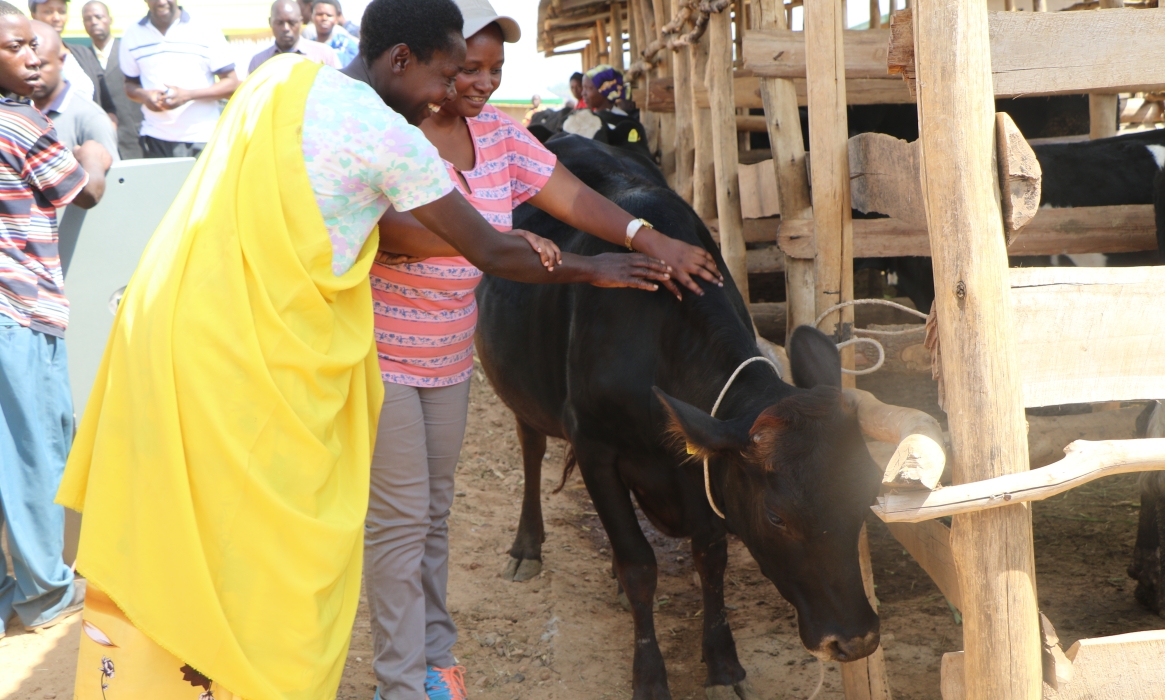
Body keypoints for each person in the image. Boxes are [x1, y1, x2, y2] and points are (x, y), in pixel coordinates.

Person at [59, 0, 673, 696]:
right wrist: (589, 265)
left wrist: (606, 240)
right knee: (293, 535)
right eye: (449, 74)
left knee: (192, 512)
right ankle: (357, 678)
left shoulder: (282, 83)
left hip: (182, 320)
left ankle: (181, 664)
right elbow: (481, 245)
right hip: (268, 353)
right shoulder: (390, 139)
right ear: (402, 60)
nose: (453, 92)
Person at [361, 2, 722, 698]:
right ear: (432, 58)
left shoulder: (496, 135)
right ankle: (399, 684)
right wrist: (496, 243)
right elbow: (389, 232)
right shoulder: (393, 132)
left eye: (495, 69)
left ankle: (435, 660)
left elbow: (574, 198)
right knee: (401, 525)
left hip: (446, 355)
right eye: (468, 67)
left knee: (433, 513)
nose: (483, 83)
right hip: (381, 356)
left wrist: (651, 238)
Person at [0, 0, 110, 642]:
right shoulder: (17, 125)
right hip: (20, 312)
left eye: (33, 45)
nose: (34, 54)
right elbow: (86, 189)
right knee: (35, 450)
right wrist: (93, 151)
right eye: (15, 47)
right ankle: (44, 592)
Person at [120, 0, 241, 158]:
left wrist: (188, 95)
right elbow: (130, 85)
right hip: (155, 139)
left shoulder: (205, 28)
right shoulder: (132, 34)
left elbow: (232, 84)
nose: (162, 2)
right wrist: (145, 96)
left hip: (203, 138)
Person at [30, 21, 120, 159]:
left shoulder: (91, 119)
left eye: (42, 65)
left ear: (61, 61)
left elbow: (115, 179)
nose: (34, 73)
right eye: (28, 66)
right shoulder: (18, 112)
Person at [71, 0, 143, 160]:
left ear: (110, 19)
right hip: (99, 142)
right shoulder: (82, 59)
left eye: (98, 16)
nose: (94, 22)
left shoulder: (129, 51)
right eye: (88, 18)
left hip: (135, 138)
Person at [248, 0, 339, 75]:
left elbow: (342, 90)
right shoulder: (258, 62)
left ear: (300, 22)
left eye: (292, 23)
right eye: (279, 23)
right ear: (270, 22)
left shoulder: (324, 55)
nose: (286, 28)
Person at [29, 0, 95, 102]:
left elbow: (106, 101)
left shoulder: (83, 53)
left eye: (62, 12)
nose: (57, 18)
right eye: (48, 12)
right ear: (33, 14)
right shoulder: (28, 57)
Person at [311, 0, 359, 68]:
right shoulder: (306, 46)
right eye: (319, 14)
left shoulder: (346, 46)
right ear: (312, 16)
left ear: (337, 18)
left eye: (329, 15)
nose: (324, 18)